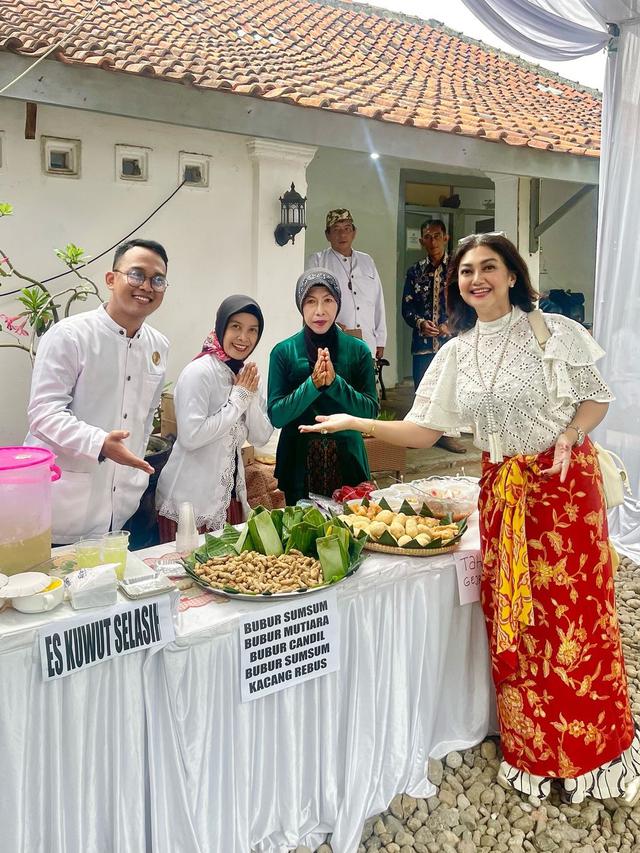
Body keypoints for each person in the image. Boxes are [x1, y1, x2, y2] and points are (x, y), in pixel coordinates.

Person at [300, 233, 640, 805]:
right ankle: (534, 753)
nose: (475, 278)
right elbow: (423, 430)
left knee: (575, 622)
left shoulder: (555, 331)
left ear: (512, 274)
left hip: (564, 494)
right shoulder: (458, 352)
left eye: (488, 267)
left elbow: (595, 397)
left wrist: (572, 433)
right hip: (504, 496)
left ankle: (592, 751)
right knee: (518, 621)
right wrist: (357, 423)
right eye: (465, 271)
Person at [25, 239, 170, 545]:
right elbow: (43, 413)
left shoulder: (158, 346)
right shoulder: (70, 336)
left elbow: (145, 420)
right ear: (110, 279)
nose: (146, 286)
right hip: (62, 507)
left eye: (157, 279)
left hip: (121, 509)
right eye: (136, 275)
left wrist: (137, 476)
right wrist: (99, 443)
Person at [156, 296, 272, 540]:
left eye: (253, 330)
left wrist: (248, 397)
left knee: (227, 574)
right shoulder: (199, 372)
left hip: (228, 499)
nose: (244, 338)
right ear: (221, 327)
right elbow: (191, 437)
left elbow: (261, 436)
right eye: (236, 327)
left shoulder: (244, 372)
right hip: (189, 506)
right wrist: (238, 399)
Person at [268, 268, 379, 505]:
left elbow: (370, 412)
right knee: (303, 536)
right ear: (301, 306)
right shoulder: (283, 352)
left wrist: (336, 384)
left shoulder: (358, 350)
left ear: (338, 303)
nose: (320, 311)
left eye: (328, 300)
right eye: (311, 301)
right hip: (298, 465)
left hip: (348, 461)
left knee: (351, 536)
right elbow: (277, 415)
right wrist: (312, 385)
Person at [401, 218, 465, 454]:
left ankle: (447, 435)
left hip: (452, 343)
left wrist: (452, 325)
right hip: (423, 344)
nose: (433, 241)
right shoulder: (415, 272)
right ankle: (419, 434)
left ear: (446, 238)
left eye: (437, 235)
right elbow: (406, 308)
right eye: (428, 237)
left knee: (450, 389)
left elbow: (467, 303)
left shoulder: (459, 271)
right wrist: (420, 323)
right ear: (421, 241)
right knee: (423, 389)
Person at [306, 209, 387, 359]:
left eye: (347, 229)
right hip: (332, 342)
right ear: (327, 235)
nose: (342, 235)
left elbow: (378, 301)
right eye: (336, 230)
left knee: (365, 382)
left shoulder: (367, 261)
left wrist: (380, 339)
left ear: (354, 232)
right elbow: (310, 303)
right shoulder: (318, 261)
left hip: (367, 342)